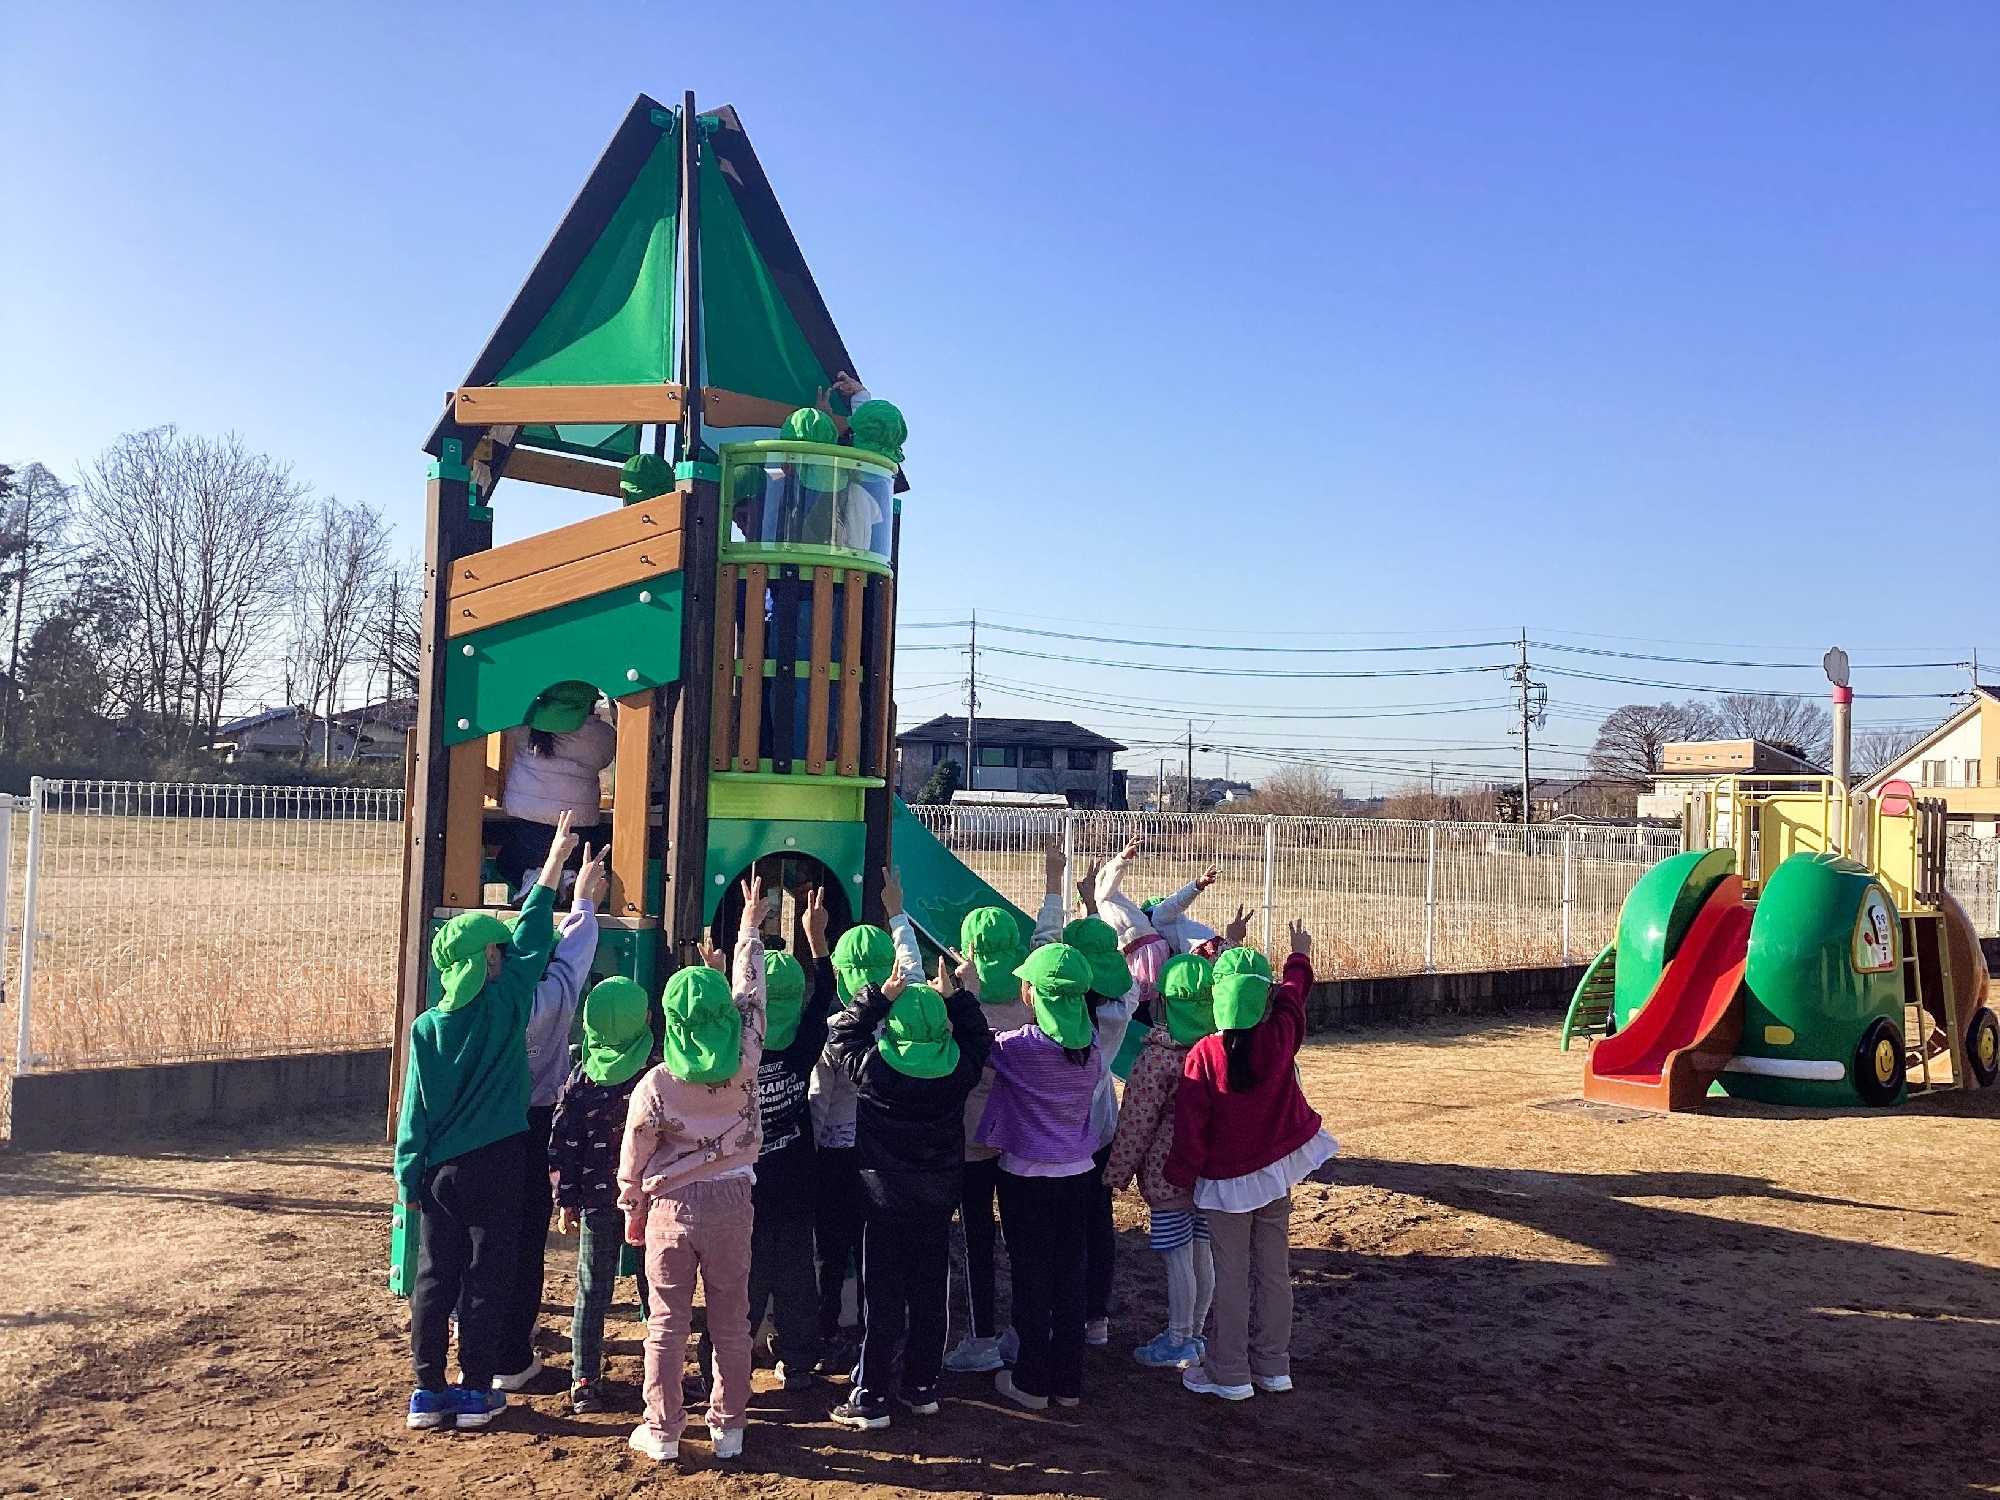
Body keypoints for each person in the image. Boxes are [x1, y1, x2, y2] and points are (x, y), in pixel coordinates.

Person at [396, 810, 575, 1432]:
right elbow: (533, 935)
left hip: (441, 1170)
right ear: (488, 962)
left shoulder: (428, 1027)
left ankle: (426, 1391)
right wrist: (554, 863)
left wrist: (408, 1178)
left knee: (433, 1277)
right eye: (495, 950)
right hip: (499, 1160)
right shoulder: (505, 1004)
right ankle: (476, 1390)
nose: (503, 954)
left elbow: (414, 1110)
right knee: (486, 1275)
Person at [618, 878, 771, 1464]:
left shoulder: (655, 1086)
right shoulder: (747, 1060)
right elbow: (751, 1003)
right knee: (732, 1318)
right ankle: (729, 1427)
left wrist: (632, 1207)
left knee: (666, 1323)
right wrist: (748, 931)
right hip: (734, 1200)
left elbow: (632, 1161)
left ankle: (662, 1429)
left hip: (671, 1209)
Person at [1164, 927, 1339, 1402]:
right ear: (1261, 999)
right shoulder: (1280, 1038)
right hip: (1274, 1174)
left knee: (1231, 1275)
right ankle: (1273, 1365)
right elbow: (1291, 997)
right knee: (1273, 1271)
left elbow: (1190, 1135)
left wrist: (1176, 1180)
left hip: (1225, 1185)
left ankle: (1229, 1371)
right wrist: (1298, 956)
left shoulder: (1203, 1056)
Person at [823, 956, 993, 1430]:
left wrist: (879, 996)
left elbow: (842, 1036)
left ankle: (871, 1395)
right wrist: (957, 998)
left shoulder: (876, 1070)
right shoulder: (959, 1071)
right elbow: (980, 1039)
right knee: (928, 1297)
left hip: (882, 1203)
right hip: (938, 1202)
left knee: (882, 1303)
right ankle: (921, 1387)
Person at [696, 888, 835, 1392]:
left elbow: (725, 1013)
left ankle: (721, 1360)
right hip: (796, 1177)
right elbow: (825, 1000)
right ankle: (800, 1359)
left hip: (744, 1183)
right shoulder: (803, 1044)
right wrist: (816, 941)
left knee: (739, 1281)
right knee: (796, 1272)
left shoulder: (739, 1051)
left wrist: (719, 969)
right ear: (794, 1001)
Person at [492, 841, 607, 1394]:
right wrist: (582, 897)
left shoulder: (487, 1004)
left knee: (489, 1235)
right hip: (540, 1121)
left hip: (489, 1124)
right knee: (528, 1233)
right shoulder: (557, 996)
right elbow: (575, 949)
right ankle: (514, 1349)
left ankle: (481, 1337)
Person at [972, 942, 1103, 1411]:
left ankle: (1030, 1381)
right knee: (1071, 1276)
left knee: (1031, 1278)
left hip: (1026, 1179)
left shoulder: (1021, 1049)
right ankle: (1067, 1381)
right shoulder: (1092, 1047)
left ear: (1035, 995)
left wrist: (964, 992)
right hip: (1078, 1176)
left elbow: (975, 1039)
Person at [807, 871, 925, 1373]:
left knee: (832, 1248)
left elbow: (819, 1099)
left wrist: (816, 940)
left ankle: (829, 1324)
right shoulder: (912, 1015)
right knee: (878, 1246)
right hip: (887, 1150)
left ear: (839, 976)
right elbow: (913, 969)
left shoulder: (836, 1031)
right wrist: (896, 912)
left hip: (836, 1154)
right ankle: (880, 1329)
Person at [1103, 952, 1217, 1369]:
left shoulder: (1156, 1059)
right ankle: (1197, 1333)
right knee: (1203, 1249)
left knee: (1177, 1258)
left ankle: (1178, 1338)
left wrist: (1115, 1173)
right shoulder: (1219, 1051)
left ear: (1162, 1002)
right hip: (1210, 1174)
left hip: (1168, 1175)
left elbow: (1137, 1122)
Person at [550, 972, 657, 1414]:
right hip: (651, 1202)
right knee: (656, 1285)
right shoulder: (657, 1072)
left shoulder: (580, 1081)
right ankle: (661, 1372)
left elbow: (562, 1143)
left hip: (596, 1201)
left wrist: (566, 1199)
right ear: (647, 1019)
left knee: (592, 1288)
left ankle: (584, 1377)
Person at [940, 902, 1032, 1375]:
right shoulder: (1029, 995)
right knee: (1018, 1237)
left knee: (975, 1237)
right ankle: (1021, 1331)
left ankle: (980, 1337)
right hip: (1018, 1137)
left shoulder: (960, 1002)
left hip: (971, 1137)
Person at [1061, 909, 1135, 1348]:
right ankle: (1096, 1316)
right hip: (1101, 1128)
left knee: (1062, 1228)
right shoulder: (1118, 1011)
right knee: (1097, 1222)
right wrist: (1092, 911)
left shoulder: (1058, 1018)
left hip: (1057, 1134)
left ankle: (1061, 1312)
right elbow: (1114, 977)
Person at [494, 682, 617, 893]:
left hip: (530, 823)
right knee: (576, 854)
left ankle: (535, 876)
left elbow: (503, 712)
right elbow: (605, 758)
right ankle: (570, 877)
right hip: (579, 823)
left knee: (507, 861)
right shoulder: (601, 735)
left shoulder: (527, 729)